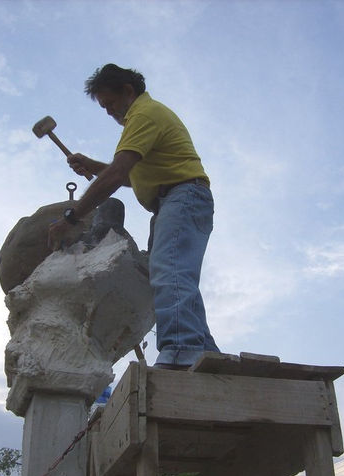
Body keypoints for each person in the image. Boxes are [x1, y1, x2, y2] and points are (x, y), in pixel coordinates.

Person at [48, 64, 220, 369]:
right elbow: (130, 177)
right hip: (173, 201)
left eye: (109, 103)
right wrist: (92, 165)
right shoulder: (144, 118)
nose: (108, 111)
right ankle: (204, 352)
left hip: (182, 197)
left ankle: (181, 351)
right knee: (171, 274)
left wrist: (71, 218)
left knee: (171, 271)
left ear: (128, 91)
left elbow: (117, 175)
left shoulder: (143, 115)